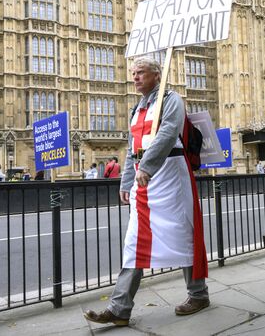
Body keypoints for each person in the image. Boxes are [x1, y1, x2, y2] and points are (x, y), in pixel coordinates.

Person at [84, 56, 208, 326]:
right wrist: (126, 181)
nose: (135, 77)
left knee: (182, 233)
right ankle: (119, 308)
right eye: (133, 73)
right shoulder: (137, 108)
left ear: (156, 75)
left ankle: (198, 294)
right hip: (144, 180)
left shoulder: (172, 99)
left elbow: (167, 134)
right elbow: (132, 151)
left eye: (140, 72)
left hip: (170, 175)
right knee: (134, 241)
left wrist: (147, 167)